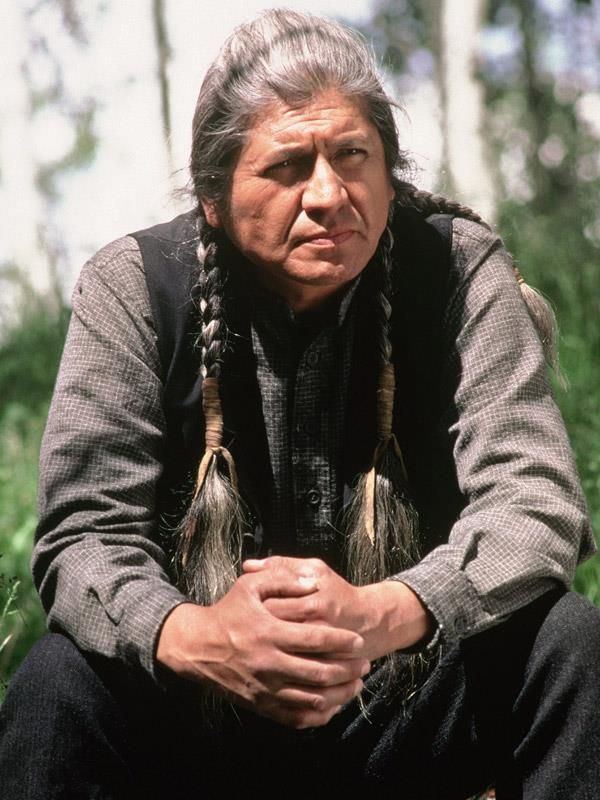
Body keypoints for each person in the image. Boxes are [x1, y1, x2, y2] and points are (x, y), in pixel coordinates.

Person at [1, 8, 599, 799]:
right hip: (201, 713)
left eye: (353, 155)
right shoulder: (134, 289)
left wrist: (386, 615)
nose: (328, 195)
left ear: (390, 168)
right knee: (55, 687)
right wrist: (198, 636)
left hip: (404, 697)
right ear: (213, 197)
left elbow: (534, 502)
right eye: (287, 166)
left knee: (569, 643)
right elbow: (83, 535)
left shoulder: (458, 268)